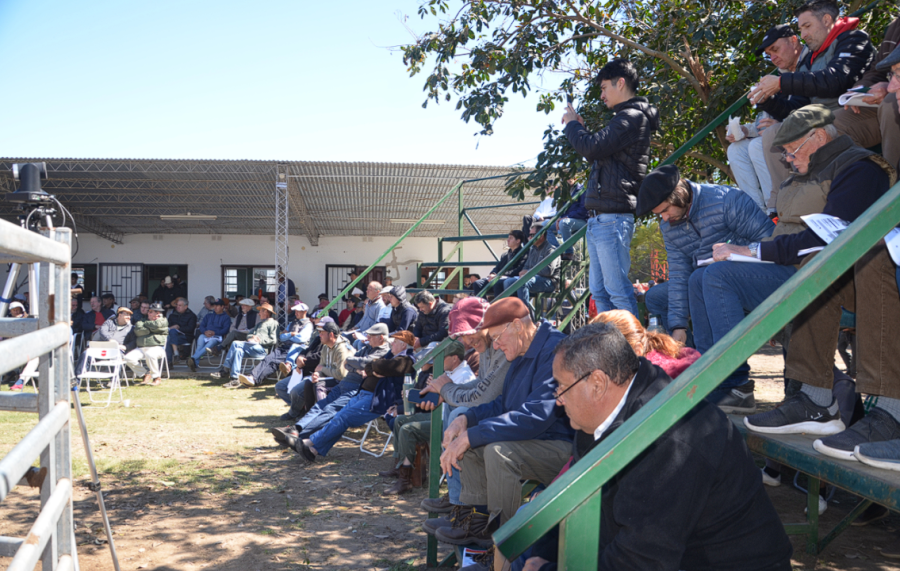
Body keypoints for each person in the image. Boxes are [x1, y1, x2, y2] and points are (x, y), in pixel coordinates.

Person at [518, 323, 793, 571]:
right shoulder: (599, 418)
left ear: (598, 384)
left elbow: (641, 561)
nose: (558, 399)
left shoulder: (668, 440)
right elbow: (572, 504)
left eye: (562, 387)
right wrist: (537, 557)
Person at [738, 115, 900, 465]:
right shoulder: (800, 176)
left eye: (791, 150)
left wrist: (759, 251)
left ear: (817, 137)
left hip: (865, 267)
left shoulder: (860, 167)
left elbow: (832, 232)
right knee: (818, 267)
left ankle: (889, 411)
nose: (787, 159)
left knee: (866, 256)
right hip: (815, 264)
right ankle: (813, 398)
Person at [431, 298, 573, 548]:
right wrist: (467, 419)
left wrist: (472, 434)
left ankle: (503, 541)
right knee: (473, 445)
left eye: (497, 337)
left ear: (517, 326)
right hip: (536, 441)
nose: (494, 345)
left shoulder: (555, 349)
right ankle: (477, 522)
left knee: (498, 452)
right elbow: (503, 404)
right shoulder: (521, 349)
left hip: (564, 450)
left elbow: (536, 416)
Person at [636, 165, 775, 412]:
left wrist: (735, 253)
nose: (664, 219)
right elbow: (678, 273)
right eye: (660, 215)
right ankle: (707, 374)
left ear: (678, 195)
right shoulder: (668, 227)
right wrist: (678, 325)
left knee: (710, 275)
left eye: (666, 211)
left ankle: (736, 383)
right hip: (710, 279)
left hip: (757, 275)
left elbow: (770, 243)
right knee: (669, 290)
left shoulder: (727, 200)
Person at [751, 0, 876, 203]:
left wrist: (782, 82)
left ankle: (818, 201)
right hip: (826, 119)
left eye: (807, 26)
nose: (803, 35)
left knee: (816, 134)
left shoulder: (853, 38)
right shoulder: (810, 60)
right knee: (776, 133)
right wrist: (766, 100)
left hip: (859, 112)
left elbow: (836, 79)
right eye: (801, 29)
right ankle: (786, 202)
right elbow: (795, 109)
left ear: (826, 20)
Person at [563, 58, 659, 317]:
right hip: (600, 219)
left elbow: (592, 148)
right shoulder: (623, 118)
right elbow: (597, 150)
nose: (602, 95)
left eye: (604, 88)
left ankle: (633, 350)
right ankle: (613, 347)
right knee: (600, 291)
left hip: (612, 218)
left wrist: (572, 125)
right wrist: (580, 129)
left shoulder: (631, 117)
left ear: (621, 83)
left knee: (616, 291)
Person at [411, 297, 511, 520]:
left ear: (484, 324)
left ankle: (462, 503)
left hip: (511, 415)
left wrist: (446, 390)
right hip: (497, 410)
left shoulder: (501, 344)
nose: (465, 341)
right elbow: (482, 385)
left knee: (457, 411)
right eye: (461, 334)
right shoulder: (486, 346)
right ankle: (457, 498)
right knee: (452, 408)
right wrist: (445, 392)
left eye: (468, 333)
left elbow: (485, 395)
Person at [291, 331, 418, 464]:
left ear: (403, 345)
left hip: (377, 399)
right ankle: (313, 451)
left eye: (395, 342)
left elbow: (377, 366)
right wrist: (375, 368)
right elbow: (369, 366)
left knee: (343, 418)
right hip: (364, 394)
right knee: (340, 417)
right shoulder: (391, 356)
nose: (391, 343)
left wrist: (375, 367)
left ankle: (309, 442)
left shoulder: (406, 360)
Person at [727, 25, 808, 212]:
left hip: (808, 129)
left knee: (758, 145)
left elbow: (805, 107)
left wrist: (780, 124)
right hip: (782, 131)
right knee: (736, 150)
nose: (773, 58)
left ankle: (774, 209)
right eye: (768, 54)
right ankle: (757, 213)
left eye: (775, 49)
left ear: (794, 40)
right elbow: (768, 120)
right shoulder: (781, 74)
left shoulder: (810, 62)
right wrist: (746, 130)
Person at [270, 322, 391, 447]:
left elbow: (360, 362)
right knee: (320, 406)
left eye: (371, 335)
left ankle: (299, 436)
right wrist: (357, 368)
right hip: (345, 383)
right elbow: (348, 364)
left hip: (356, 388)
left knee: (330, 409)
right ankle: (296, 428)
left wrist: (354, 363)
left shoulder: (384, 352)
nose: (367, 338)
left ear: (381, 337)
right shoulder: (367, 348)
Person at [380, 339, 473, 495]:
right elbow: (435, 399)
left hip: (449, 422)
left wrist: (436, 390)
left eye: (442, 357)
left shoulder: (464, 376)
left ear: (455, 358)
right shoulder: (450, 372)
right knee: (399, 421)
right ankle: (400, 466)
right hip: (440, 415)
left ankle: (405, 480)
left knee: (407, 429)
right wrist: (414, 395)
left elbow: (455, 405)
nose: (437, 361)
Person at [275, 318, 356, 421]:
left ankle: (321, 418)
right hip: (323, 376)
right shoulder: (326, 346)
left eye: (322, 332)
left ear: (331, 334)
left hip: (344, 383)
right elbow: (319, 366)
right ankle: (308, 414)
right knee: (307, 383)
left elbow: (342, 375)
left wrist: (321, 370)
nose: (319, 334)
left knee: (311, 386)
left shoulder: (342, 349)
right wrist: (317, 374)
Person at [238, 301, 313, 387]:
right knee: (268, 359)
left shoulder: (308, 324)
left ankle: (254, 378)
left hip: (294, 350)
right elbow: (281, 337)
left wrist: (287, 335)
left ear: (305, 312)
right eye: (295, 311)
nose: (295, 313)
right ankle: (252, 377)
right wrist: (291, 334)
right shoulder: (292, 323)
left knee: (274, 362)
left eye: (298, 311)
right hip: (284, 347)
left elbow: (301, 338)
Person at [211, 302, 279, 387]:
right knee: (237, 350)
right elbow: (249, 334)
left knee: (235, 343)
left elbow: (273, 340)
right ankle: (235, 378)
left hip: (262, 349)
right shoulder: (259, 324)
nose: (258, 313)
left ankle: (225, 369)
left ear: (266, 312)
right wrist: (251, 337)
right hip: (252, 347)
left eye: (260, 311)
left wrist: (259, 341)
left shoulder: (273, 323)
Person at [502, 221, 559, 316]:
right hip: (533, 278)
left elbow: (548, 271)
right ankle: (512, 314)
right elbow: (526, 266)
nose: (529, 238)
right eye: (529, 235)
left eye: (532, 235)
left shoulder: (550, 249)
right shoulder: (533, 249)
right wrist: (523, 272)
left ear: (541, 236)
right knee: (508, 282)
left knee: (522, 282)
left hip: (549, 281)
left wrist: (527, 272)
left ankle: (525, 316)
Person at [470, 231, 527, 297]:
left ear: (518, 241)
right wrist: (493, 273)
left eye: (511, 238)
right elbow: (497, 267)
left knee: (497, 283)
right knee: (477, 283)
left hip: (511, 279)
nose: (508, 240)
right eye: (508, 238)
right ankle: (484, 306)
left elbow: (519, 269)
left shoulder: (524, 253)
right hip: (499, 277)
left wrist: (499, 275)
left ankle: (498, 306)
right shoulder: (505, 255)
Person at [124, 302, 169, 386]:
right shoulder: (142, 320)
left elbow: (157, 325)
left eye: (151, 312)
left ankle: (156, 377)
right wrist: (151, 330)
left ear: (157, 313)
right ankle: (145, 374)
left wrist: (146, 328)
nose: (148, 313)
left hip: (157, 347)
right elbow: (138, 330)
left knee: (150, 354)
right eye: (149, 311)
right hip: (141, 348)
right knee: (127, 358)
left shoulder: (163, 321)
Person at [187, 298, 232, 372]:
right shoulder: (208, 315)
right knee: (201, 338)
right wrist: (205, 332)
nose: (215, 307)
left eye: (218, 306)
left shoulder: (226, 317)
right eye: (215, 306)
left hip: (217, 337)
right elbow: (202, 326)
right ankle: (195, 363)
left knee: (211, 343)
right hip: (206, 335)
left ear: (222, 307)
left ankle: (193, 359)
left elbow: (226, 330)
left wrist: (214, 332)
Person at [164, 297, 197, 365]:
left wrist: (178, 329)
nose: (177, 307)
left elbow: (190, 329)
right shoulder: (172, 315)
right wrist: (173, 328)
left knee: (169, 338)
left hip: (185, 336)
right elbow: (167, 327)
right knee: (169, 337)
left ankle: (169, 362)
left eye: (180, 305)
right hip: (173, 336)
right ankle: (175, 355)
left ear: (185, 306)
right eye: (177, 305)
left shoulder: (192, 316)